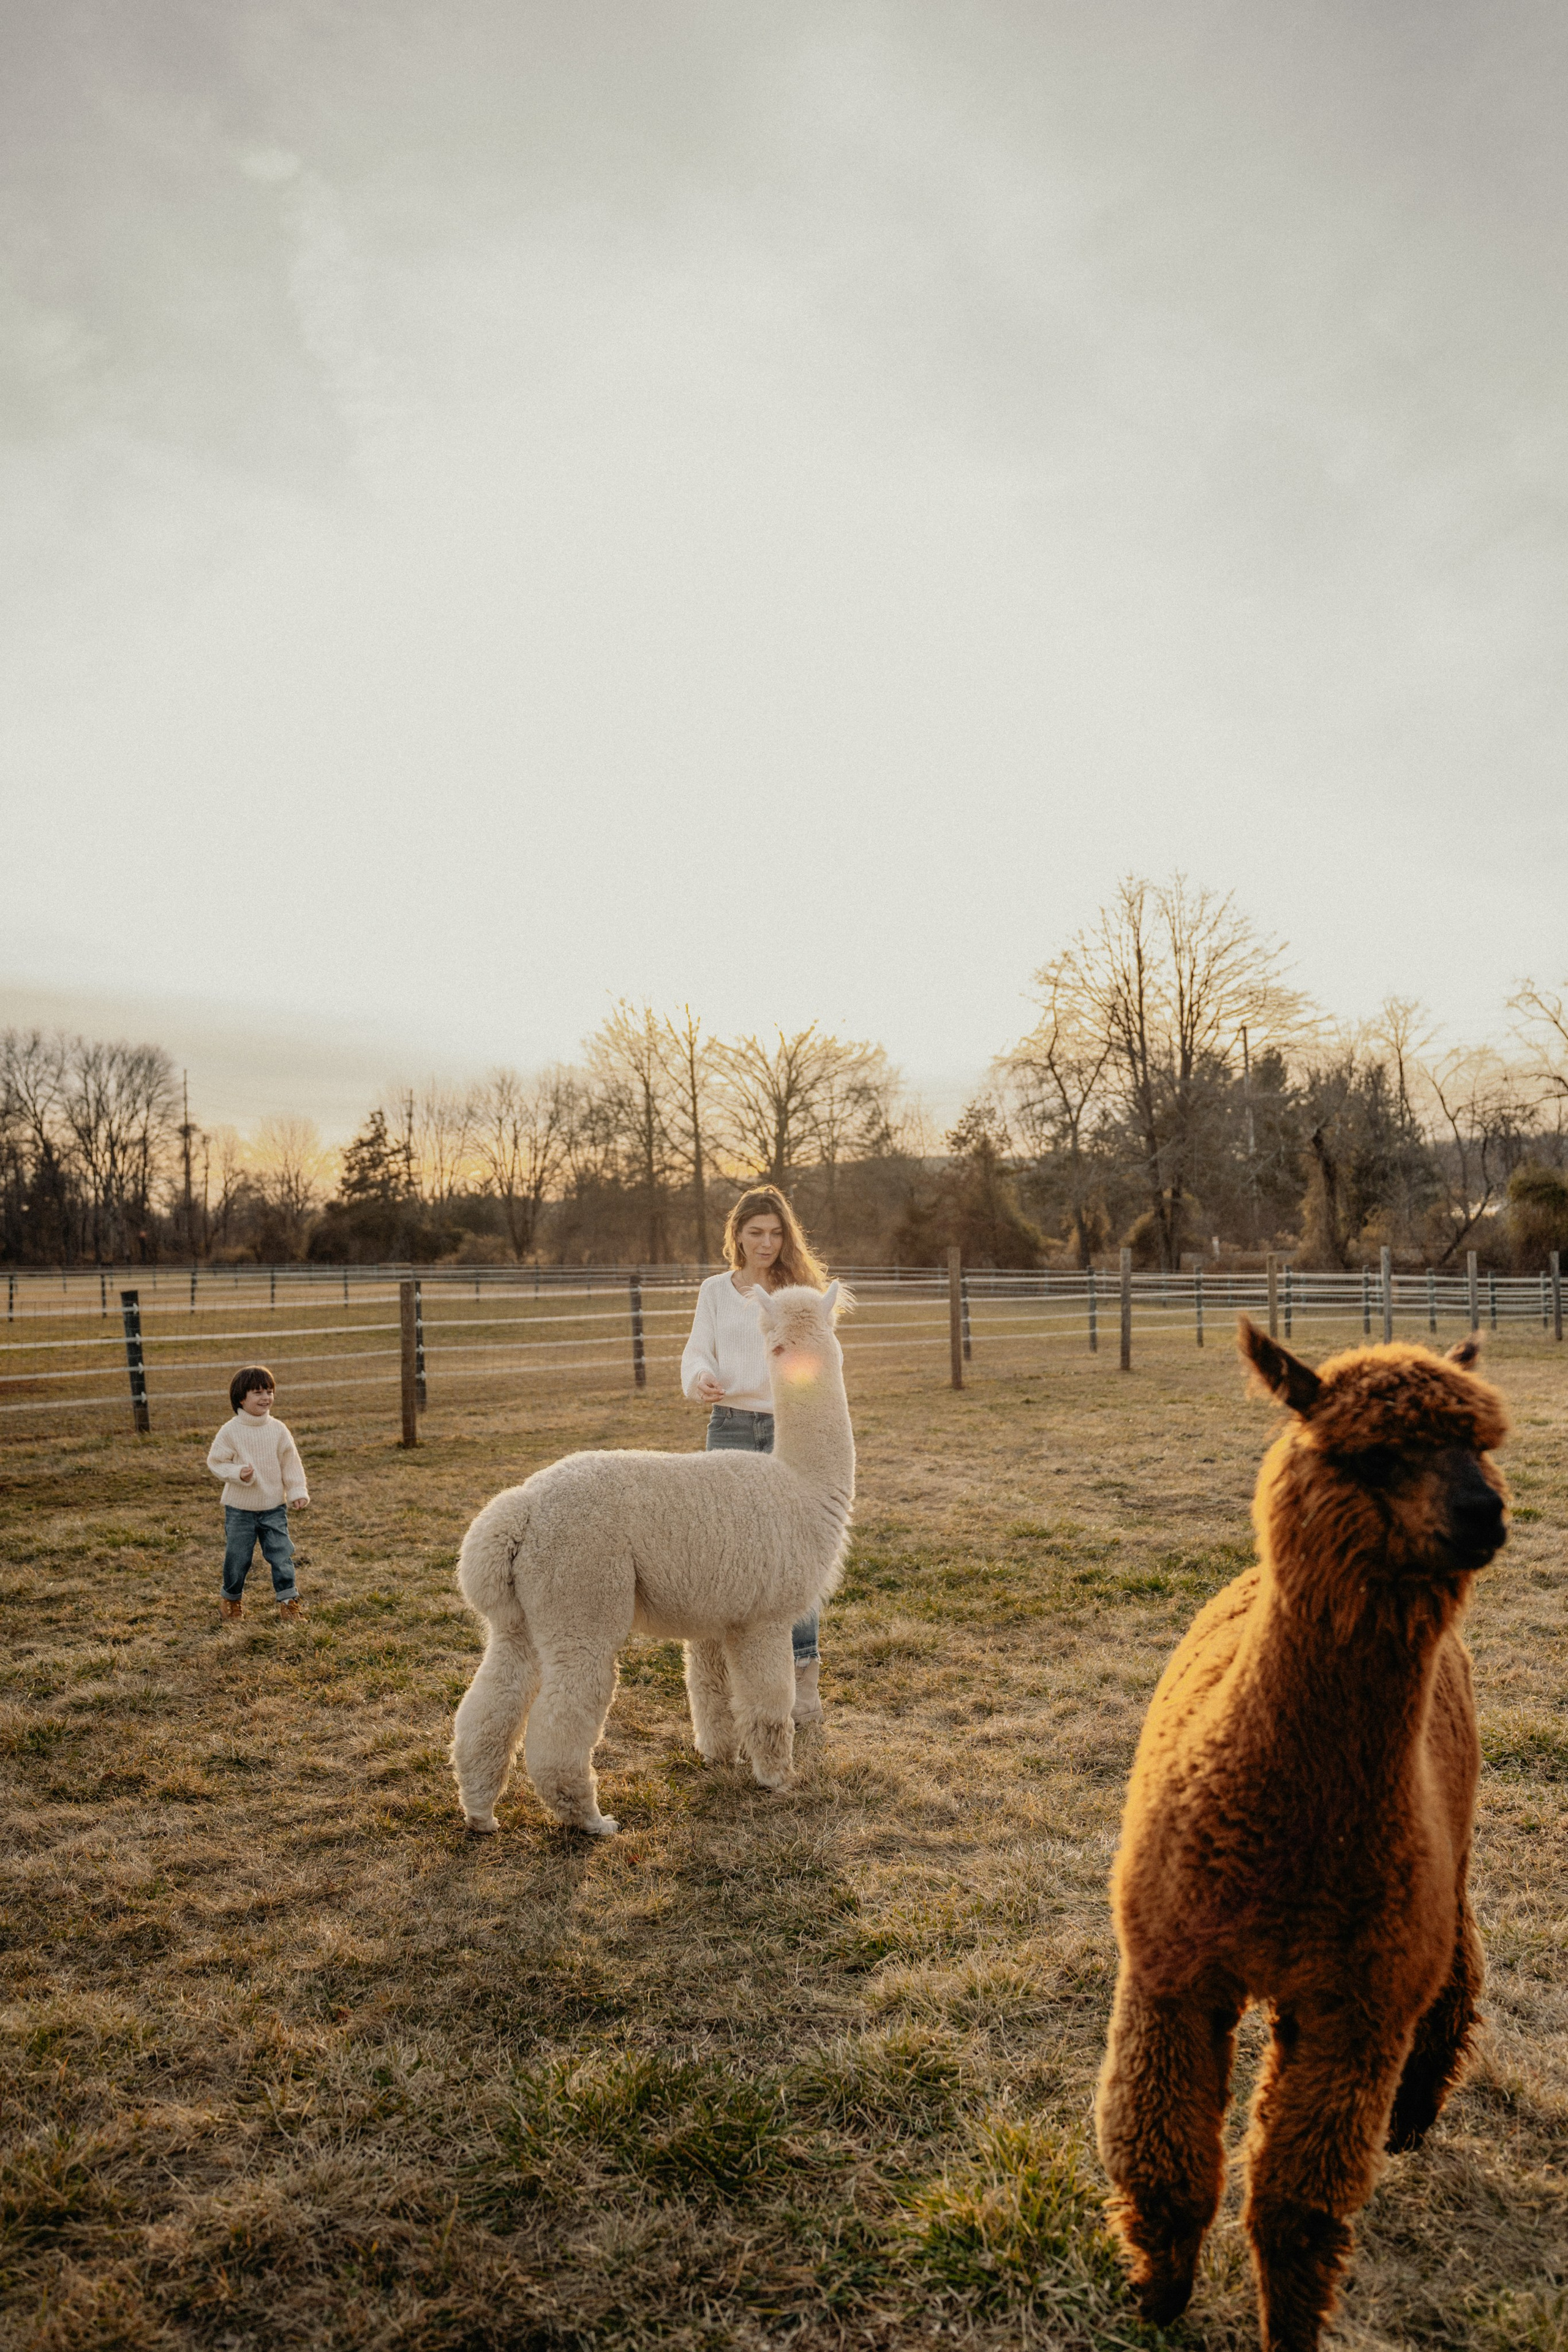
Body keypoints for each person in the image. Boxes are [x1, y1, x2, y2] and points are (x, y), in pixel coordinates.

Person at [680, 1186, 831, 1722]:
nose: (767, 1243)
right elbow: (697, 1349)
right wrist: (701, 1377)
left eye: (776, 1233)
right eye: (756, 1233)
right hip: (730, 1427)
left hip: (789, 1431)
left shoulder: (799, 1293)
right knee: (727, 1553)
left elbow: (818, 1361)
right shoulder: (715, 1291)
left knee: (795, 1558)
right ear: (738, 1236)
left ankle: (803, 1677)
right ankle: (732, 1679)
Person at [206, 1365, 310, 1622]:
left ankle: (288, 1602)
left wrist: (297, 1491)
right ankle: (231, 1600)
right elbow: (216, 1462)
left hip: (274, 1507)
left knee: (281, 1555)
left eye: (269, 1392)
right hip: (240, 1510)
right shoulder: (231, 1431)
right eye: (258, 1393)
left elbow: (291, 1463)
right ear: (241, 1398)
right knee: (238, 1558)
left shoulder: (278, 1430)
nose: (266, 1398)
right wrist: (237, 1473)